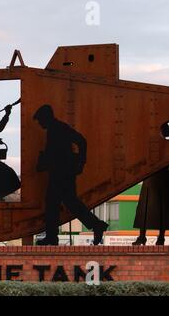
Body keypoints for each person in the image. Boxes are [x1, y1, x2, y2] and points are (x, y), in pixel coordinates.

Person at [33, 104, 108, 246]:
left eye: (40, 120)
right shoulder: (55, 128)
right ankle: (96, 225)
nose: (40, 123)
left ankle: (53, 237)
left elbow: (81, 141)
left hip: (62, 173)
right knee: (67, 202)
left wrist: (81, 162)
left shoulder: (58, 128)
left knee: (54, 203)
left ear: (46, 117)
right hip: (62, 172)